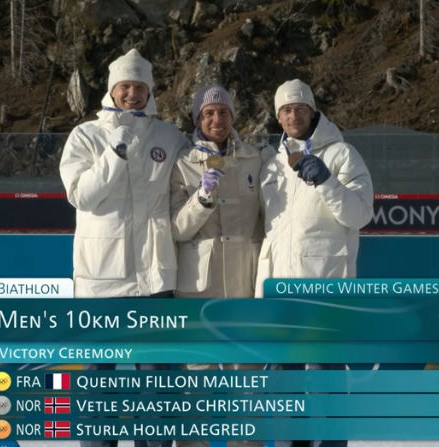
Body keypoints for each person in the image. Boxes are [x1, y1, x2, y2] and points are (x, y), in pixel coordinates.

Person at [59, 49, 191, 447]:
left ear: (149, 90)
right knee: (98, 385)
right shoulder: (86, 135)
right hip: (102, 280)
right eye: (125, 87)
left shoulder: (169, 136)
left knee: (158, 384)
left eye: (139, 87)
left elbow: (189, 181)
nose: (132, 94)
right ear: (112, 90)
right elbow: (82, 197)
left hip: (154, 280)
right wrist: (113, 154)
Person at [256, 79, 374, 447]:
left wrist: (325, 180)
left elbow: (360, 214)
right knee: (283, 384)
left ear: (312, 110)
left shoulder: (342, 154)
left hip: (324, 286)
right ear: (278, 117)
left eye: (299, 108)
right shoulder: (271, 164)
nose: (293, 116)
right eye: (285, 110)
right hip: (280, 290)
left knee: (326, 380)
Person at [170, 85, 269, 447]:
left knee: (248, 385)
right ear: (197, 119)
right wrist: (202, 198)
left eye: (223, 112)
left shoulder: (255, 159)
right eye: (208, 113)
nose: (217, 120)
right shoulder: (182, 163)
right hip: (199, 290)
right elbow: (176, 228)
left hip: (245, 285)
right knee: (197, 384)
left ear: (233, 117)